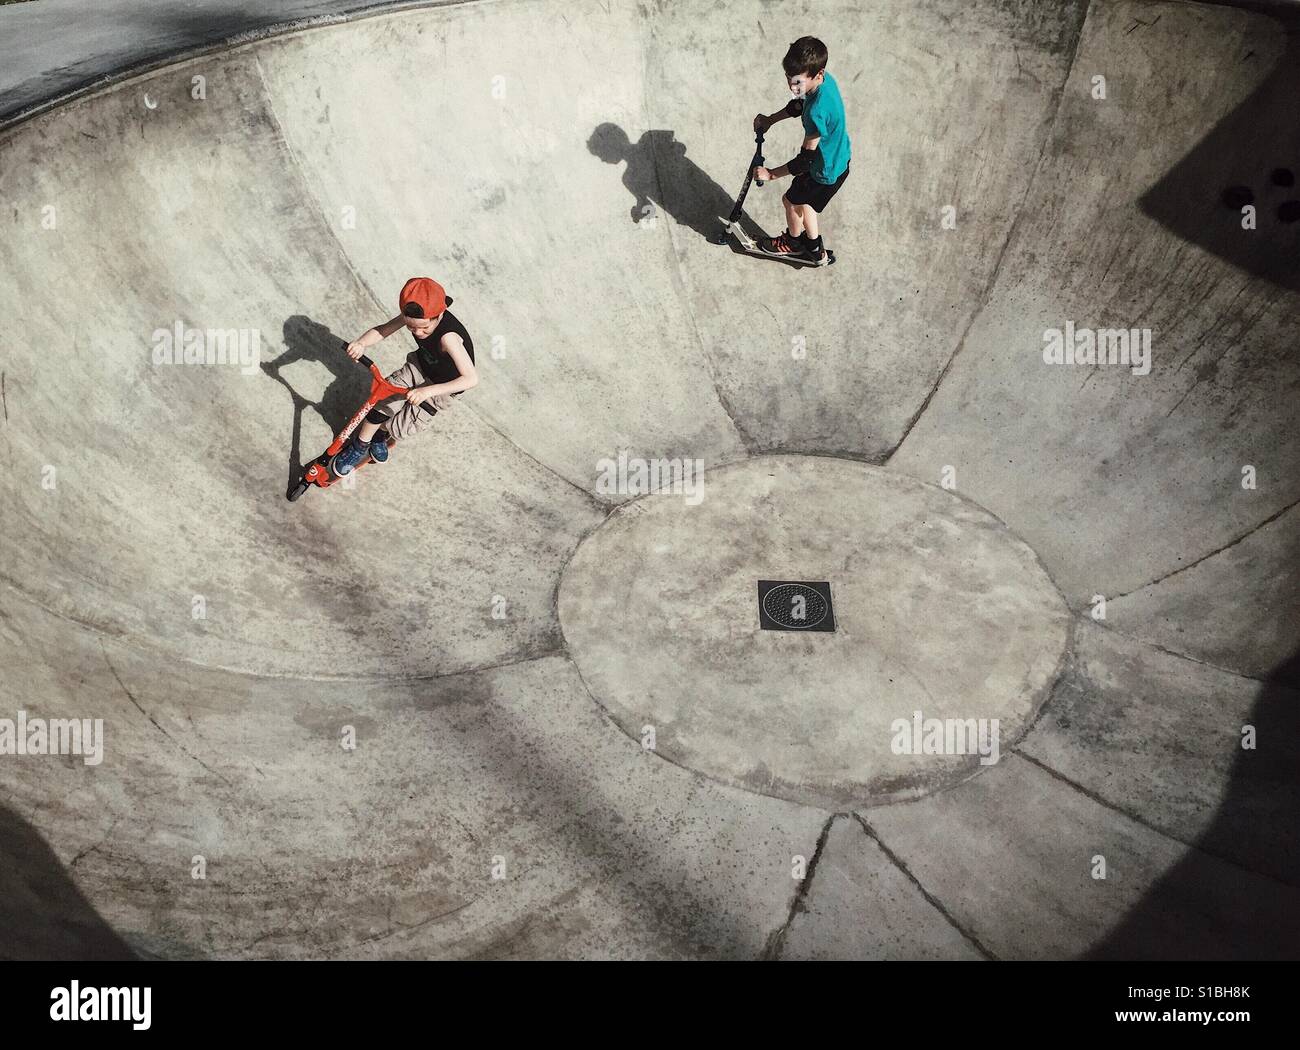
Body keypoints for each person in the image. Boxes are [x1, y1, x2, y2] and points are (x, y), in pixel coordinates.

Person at [332, 277, 478, 475]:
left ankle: (380, 435)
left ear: (440, 313)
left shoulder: (449, 337)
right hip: (420, 365)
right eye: (411, 328)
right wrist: (361, 343)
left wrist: (428, 391)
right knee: (385, 399)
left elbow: (470, 379)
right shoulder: (414, 315)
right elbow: (383, 330)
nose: (418, 332)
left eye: (424, 328)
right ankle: (360, 444)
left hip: (444, 385)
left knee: (403, 426)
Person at [751, 36, 852, 265]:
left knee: (790, 201)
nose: (792, 86)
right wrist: (770, 120)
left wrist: (770, 174)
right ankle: (816, 251)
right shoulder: (824, 81)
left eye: (797, 82)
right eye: (789, 78)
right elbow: (798, 104)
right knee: (806, 204)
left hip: (823, 170)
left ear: (818, 74)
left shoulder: (818, 112)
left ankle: (793, 244)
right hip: (838, 158)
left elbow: (804, 161)